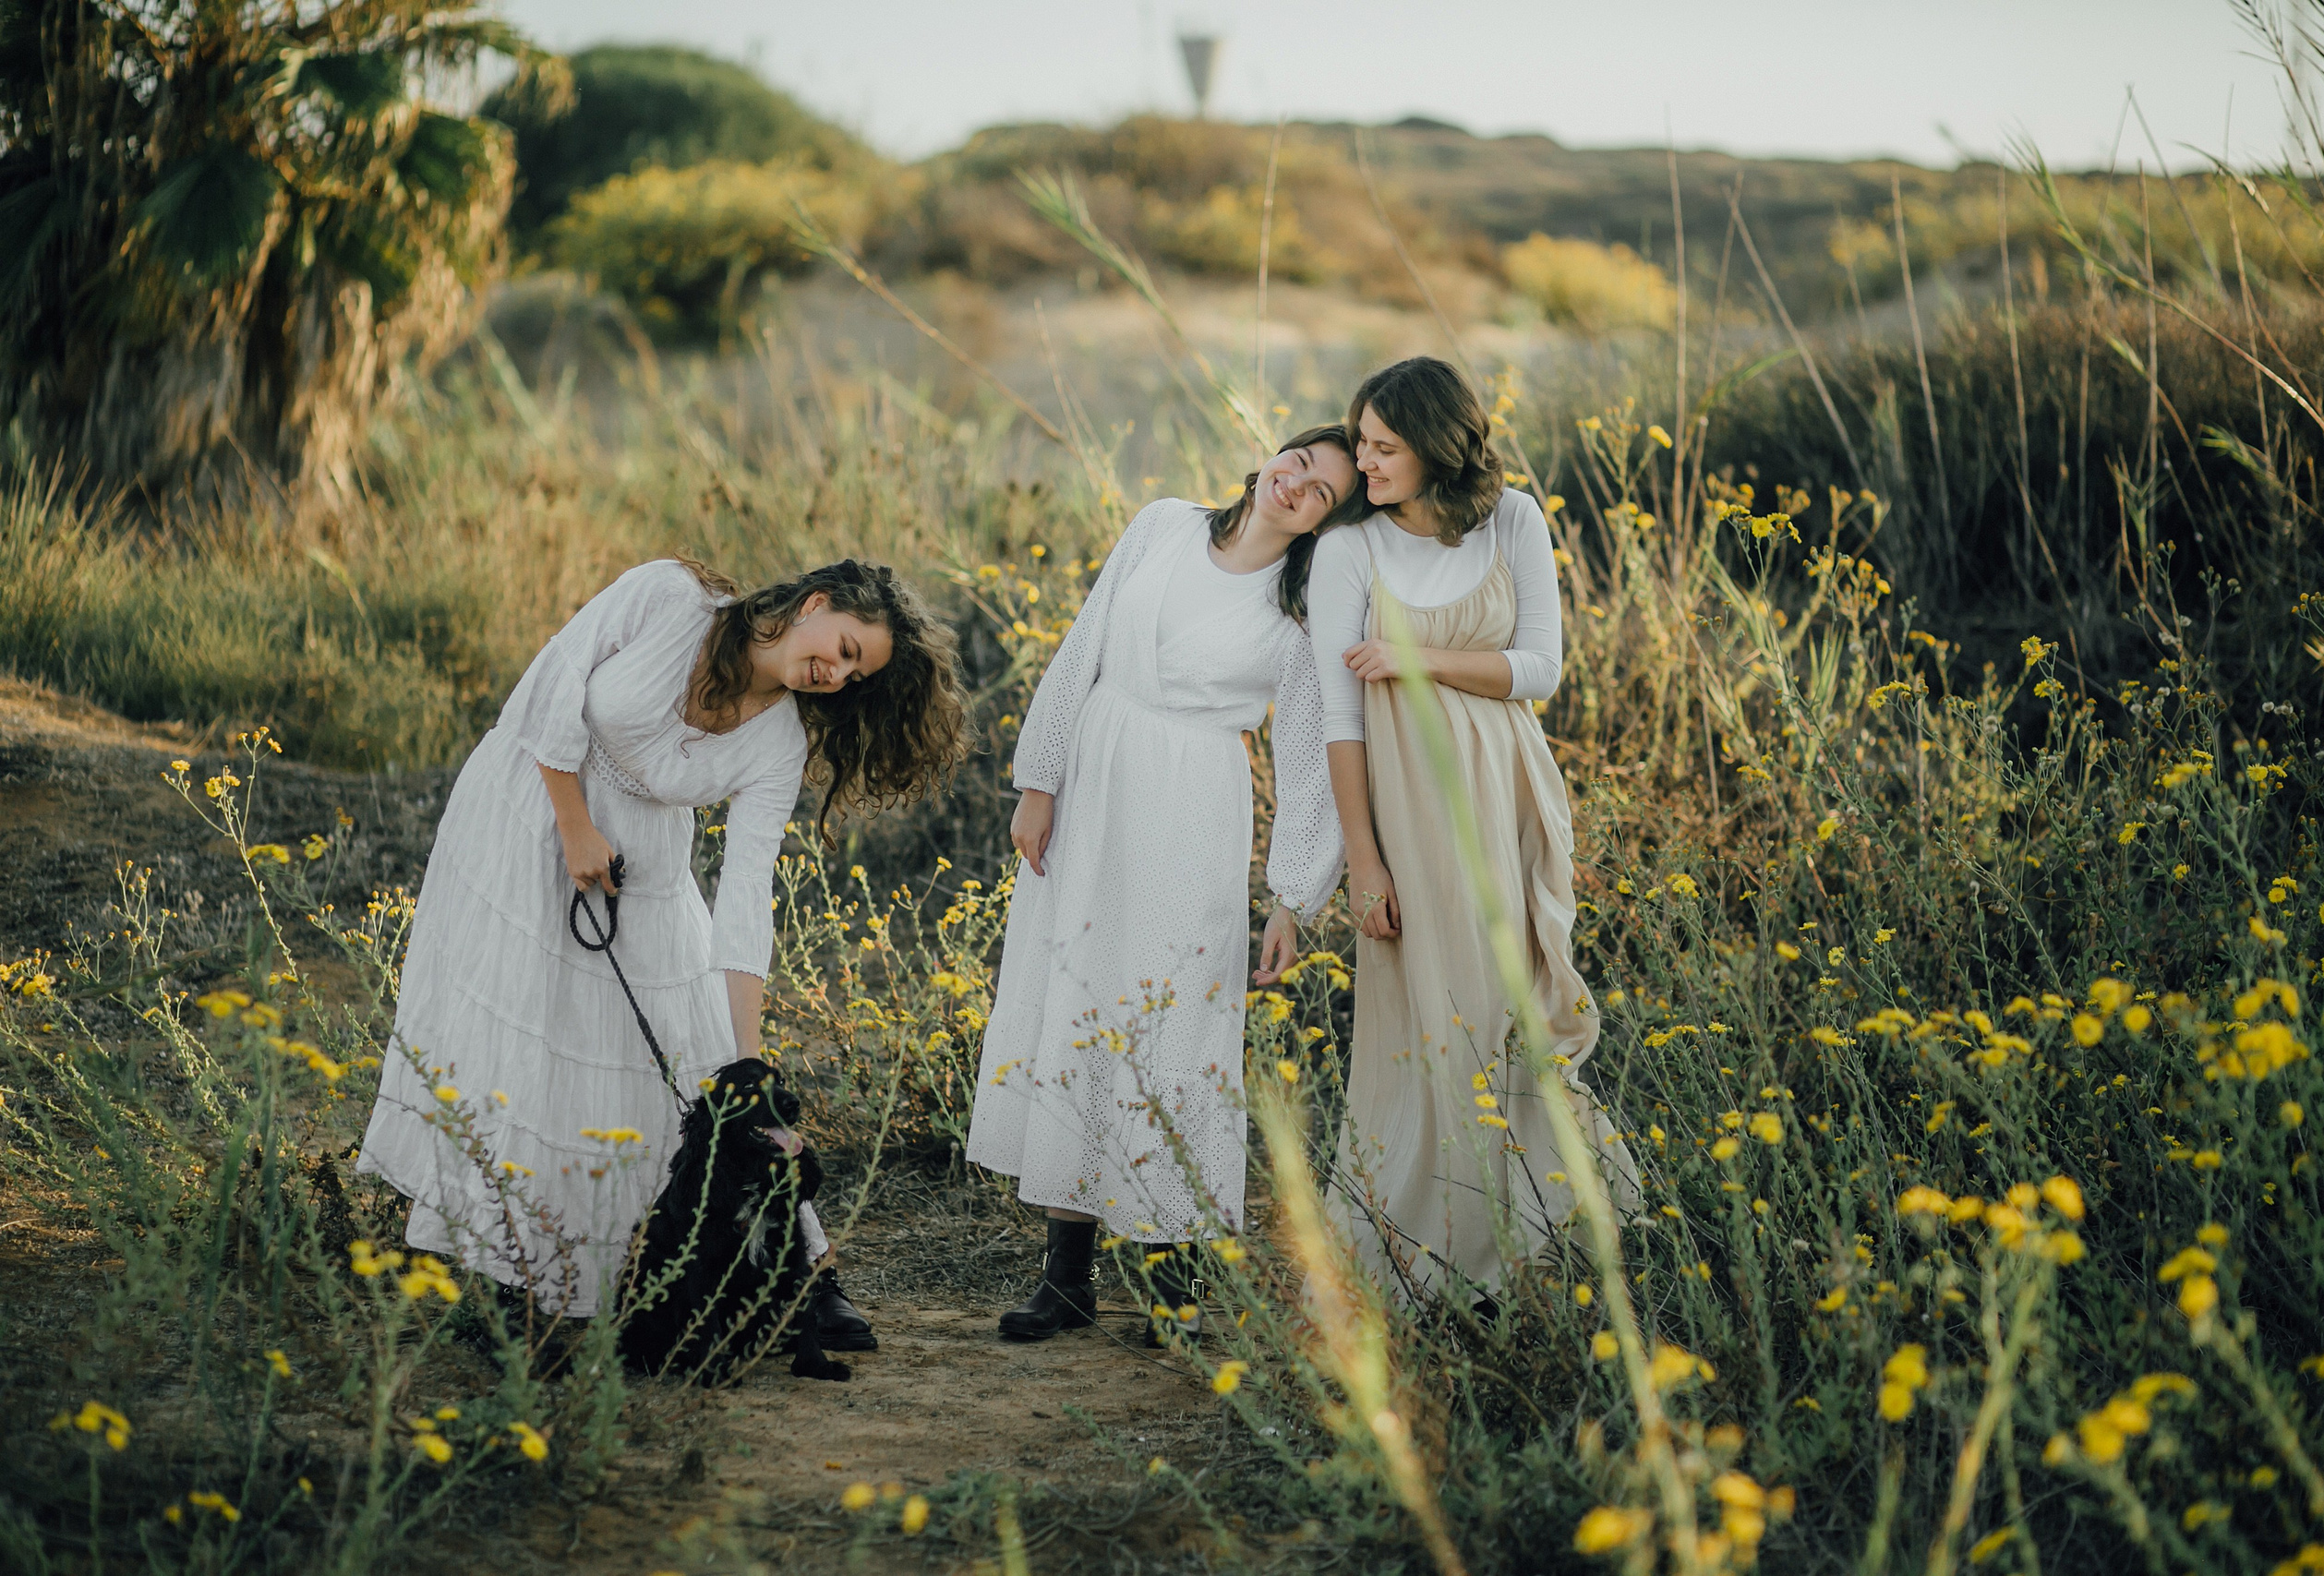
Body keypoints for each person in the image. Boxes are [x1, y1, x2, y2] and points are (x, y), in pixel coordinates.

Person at [358, 556, 970, 1341]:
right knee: (529, 1046)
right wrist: (576, 825)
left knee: (701, 1054)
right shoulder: (671, 598)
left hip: (642, 862)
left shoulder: (778, 741)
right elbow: (553, 681)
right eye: (848, 647)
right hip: (531, 806)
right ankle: (515, 1274)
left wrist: (749, 1064)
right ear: (816, 604)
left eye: (857, 676)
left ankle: (802, 1271)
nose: (838, 675)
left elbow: (747, 891)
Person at [967, 429, 1365, 1345]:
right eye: (1297, 460)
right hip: (1095, 785)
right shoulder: (1162, 526)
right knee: (1076, 1004)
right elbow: (1083, 648)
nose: (1295, 484)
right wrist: (1040, 781)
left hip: (1192, 808)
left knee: (1171, 1026)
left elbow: (1308, 761)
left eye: (1322, 492)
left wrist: (1292, 899)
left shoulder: (1304, 611)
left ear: (1329, 524)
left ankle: (1174, 1280)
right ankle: (1065, 1277)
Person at [1306, 356, 1637, 1307]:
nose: (1364, 463)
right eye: (1359, 443)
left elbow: (1540, 670)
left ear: (1438, 449)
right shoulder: (1350, 549)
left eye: (1384, 447)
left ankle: (1530, 1232)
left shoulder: (1514, 520)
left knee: (1509, 999)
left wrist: (1418, 657)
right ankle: (1427, 1248)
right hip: (1404, 803)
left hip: (1503, 787)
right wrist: (1363, 860)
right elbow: (1340, 718)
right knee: (1426, 1009)